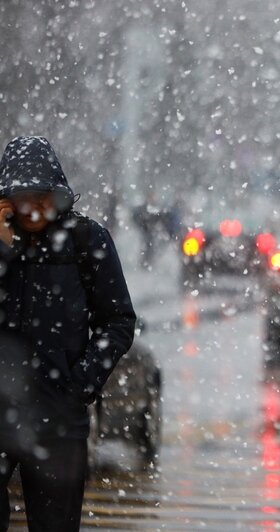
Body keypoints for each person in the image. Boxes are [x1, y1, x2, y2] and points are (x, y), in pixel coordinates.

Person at [0, 136, 136, 531]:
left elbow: (118, 321)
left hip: (58, 419)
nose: (35, 207)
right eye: (23, 197)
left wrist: (81, 383)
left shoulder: (86, 239)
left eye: (43, 196)